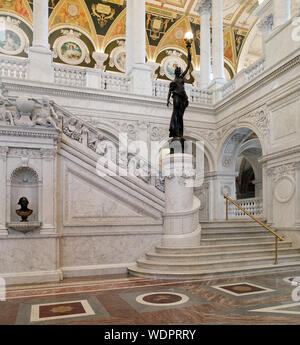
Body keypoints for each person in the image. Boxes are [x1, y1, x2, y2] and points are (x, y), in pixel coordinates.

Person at [167, 44, 191, 139]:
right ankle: (176, 131)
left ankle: (179, 132)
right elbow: (170, 91)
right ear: (175, 72)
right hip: (176, 96)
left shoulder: (181, 78)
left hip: (183, 98)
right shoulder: (173, 82)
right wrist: (167, 100)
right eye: (178, 71)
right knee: (176, 113)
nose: (180, 72)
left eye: (180, 71)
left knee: (180, 115)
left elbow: (189, 65)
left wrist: (189, 50)